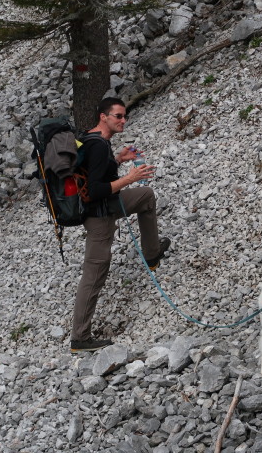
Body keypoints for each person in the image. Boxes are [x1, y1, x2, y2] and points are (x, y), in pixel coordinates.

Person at [70, 97, 170, 353]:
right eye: (118, 116)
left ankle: (151, 254)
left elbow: (96, 172)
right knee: (94, 273)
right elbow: (94, 190)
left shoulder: (92, 140)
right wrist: (129, 178)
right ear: (103, 117)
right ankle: (80, 338)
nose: (123, 120)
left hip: (107, 206)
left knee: (146, 195)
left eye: (124, 116)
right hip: (99, 215)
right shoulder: (97, 145)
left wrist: (118, 160)